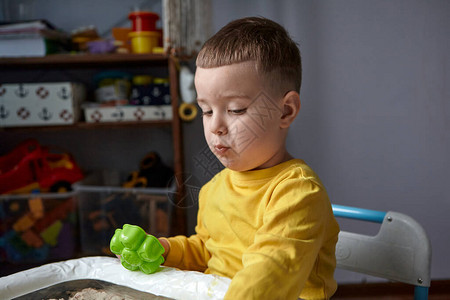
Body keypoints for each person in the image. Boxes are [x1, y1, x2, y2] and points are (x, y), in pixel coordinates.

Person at [115, 17, 340, 300]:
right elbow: (207, 251)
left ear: (285, 111)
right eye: (207, 111)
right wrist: (164, 251)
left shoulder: (297, 193)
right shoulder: (216, 187)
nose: (215, 126)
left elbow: (270, 273)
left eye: (235, 110)